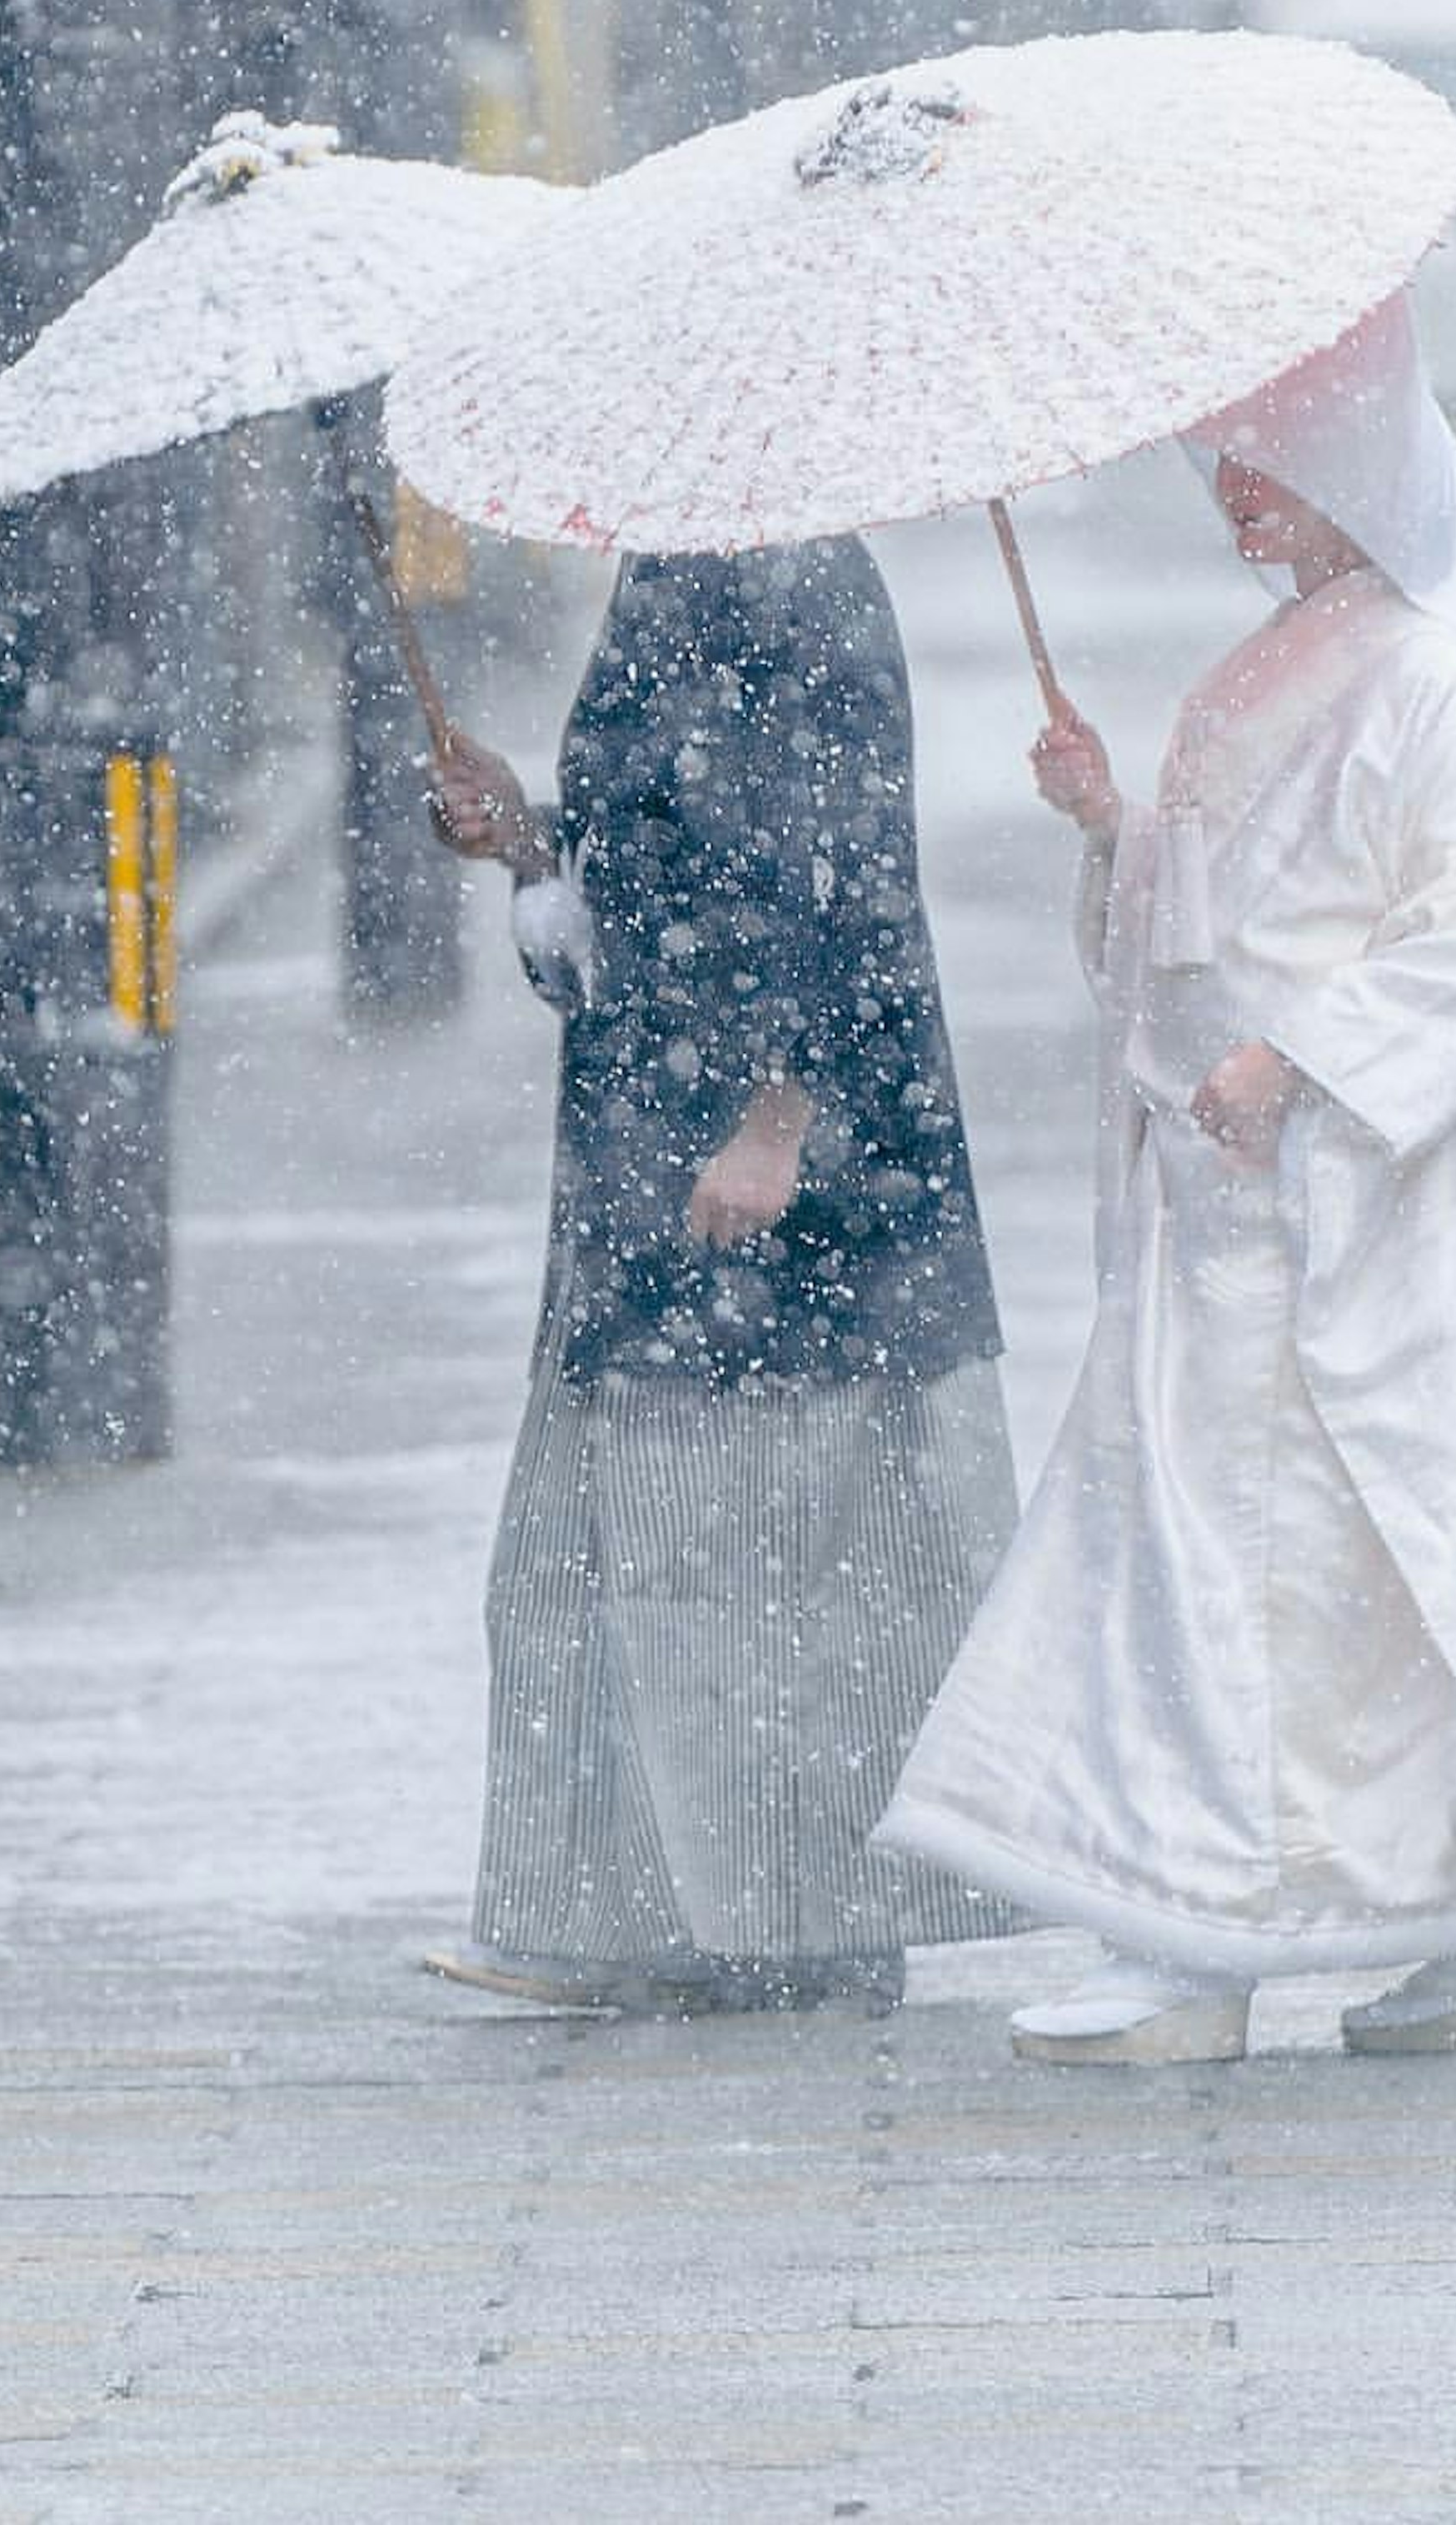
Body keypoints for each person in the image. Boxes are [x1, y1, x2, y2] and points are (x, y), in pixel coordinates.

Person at [875, 297, 1456, 2066]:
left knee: (1302, 1558)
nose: (1238, 499)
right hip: (1229, 1194)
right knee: (1285, 1562)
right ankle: (1428, 1916)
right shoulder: (1284, 664)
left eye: (1271, 469)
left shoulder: (1422, 683)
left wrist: (1298, 1060)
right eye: (1231, 468)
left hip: (1332, 1203)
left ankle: (1222, 1936)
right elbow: (1207, 929)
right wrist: (1115, 834)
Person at [423, 541, 1017, 2017]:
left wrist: (780, 1115)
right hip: (656, 1174)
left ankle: (777, 1926)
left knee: (774, 1556)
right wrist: (533, 853)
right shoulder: (669, 576)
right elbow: (651, 901)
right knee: (661, 1551)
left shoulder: (793, 576)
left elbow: (852, 881)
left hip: (787, 1203)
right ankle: (664, 1916)